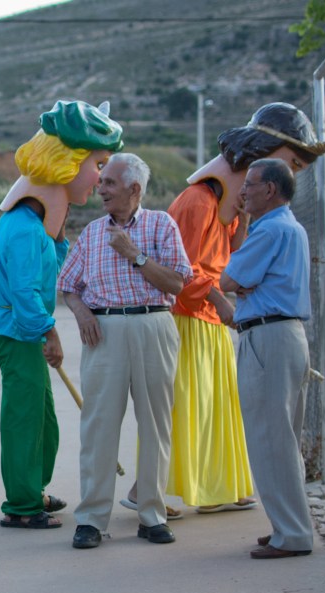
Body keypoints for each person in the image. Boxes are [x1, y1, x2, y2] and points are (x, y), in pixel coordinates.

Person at [122, 102, 325, 515]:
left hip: (210, 317)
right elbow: (183, 268)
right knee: (183, 407)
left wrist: (243, 217)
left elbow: (232, 255)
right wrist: (221, 299)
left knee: (218, 406)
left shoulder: (229, 206)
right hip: (188, 316)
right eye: (291, 163)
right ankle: (145, 489)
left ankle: (216, 487)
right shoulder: (197, 201)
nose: (292, 174)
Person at [0, 99, 123, 530]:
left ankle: (32, 490)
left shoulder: (33, 224)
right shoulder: (24, 228)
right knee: (25, 417)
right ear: (67, 164)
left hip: (21, 329)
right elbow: (25, 293)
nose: (99, 178)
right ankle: (22, 505)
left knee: (41, 415)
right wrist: (49, 333)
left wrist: (59, 235)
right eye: (98, 165)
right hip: (16, 330)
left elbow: (49, 270)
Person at [58, 152, 192, 549]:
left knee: (155, 425)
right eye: (101, 182)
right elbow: (68, 285)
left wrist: (135, 255)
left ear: (134, 189)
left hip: (154, 325)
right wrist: (82, 312)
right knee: (98, 426)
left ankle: (151, 515)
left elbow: (177, 283)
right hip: (104, 332)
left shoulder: (161, 224)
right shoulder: (92, 232)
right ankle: (91, 520)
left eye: (109, 183)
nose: (100, 189)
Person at [221, 157, 314, 559]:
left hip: (267, 336)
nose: (242, 192)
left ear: (270, 189)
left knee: (269, 438)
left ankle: (291, 534)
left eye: (250, 185)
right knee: (282, 438)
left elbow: (229, 279)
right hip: (284, 335)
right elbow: (239, 279)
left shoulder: (270, 229)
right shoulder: (288, 226)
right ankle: (287, 526)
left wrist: (240, 281)